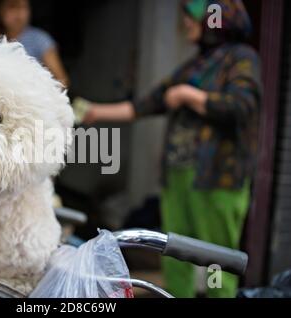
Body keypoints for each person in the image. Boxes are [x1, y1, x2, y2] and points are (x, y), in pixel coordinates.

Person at [80, 0, 261, 298]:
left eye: (192, 17)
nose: (186, 24)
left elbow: (241, 107)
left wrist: (191, 96)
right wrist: (94, 112)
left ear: (216, 20)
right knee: (176, 250)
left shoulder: (242, 58)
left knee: (217, 257)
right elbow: (146, 105)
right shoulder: (195, 64)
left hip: (217, 178)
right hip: (178, 176)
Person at [0, 0, 69, 87]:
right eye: (12, 7)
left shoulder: (40, 39)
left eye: (24, 7)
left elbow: (61, 80)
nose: (19, 13)